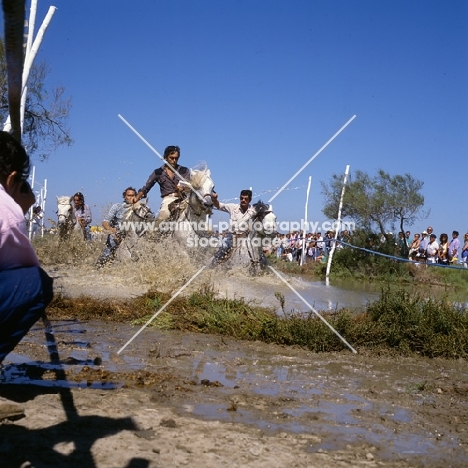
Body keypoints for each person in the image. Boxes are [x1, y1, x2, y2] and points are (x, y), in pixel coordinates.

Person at [0, 131, 53, 366]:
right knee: (37, 282)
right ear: (12, 178)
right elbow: (26, 267)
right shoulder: (6, 208)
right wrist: (18, 208)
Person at [133, 146, 190, 227]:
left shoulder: (184, 170)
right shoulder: (158, 172)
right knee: (163, 215)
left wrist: (183, 188)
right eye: (171, 158)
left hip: (184, 199)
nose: (174, 161)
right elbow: (146, 188)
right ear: (166, 157)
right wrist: (137, 197)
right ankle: (153, 236)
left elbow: (191, 187)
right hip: (168, 200)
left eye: (176, 158)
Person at [211, 189, 258, 266]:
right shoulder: (233, 207)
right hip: (231, 237)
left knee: (257, 251)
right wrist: (215, 199)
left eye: (246, 199)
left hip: (245, 238)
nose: (243, 200)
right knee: (224, 247)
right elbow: (219, 205)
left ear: (250, 200)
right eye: (241, 198)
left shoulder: (254, 211)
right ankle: (213, 266)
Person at [96, 187, 137, 268]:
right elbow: (105, 222)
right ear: (125, 196)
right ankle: (101, 264)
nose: (131, 197)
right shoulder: (117, 206)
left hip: (133, 234)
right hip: (118, 233)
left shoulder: (138, 207)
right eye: (129, 195)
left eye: (133, 195)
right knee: (110, 245)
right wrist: (112, 230)